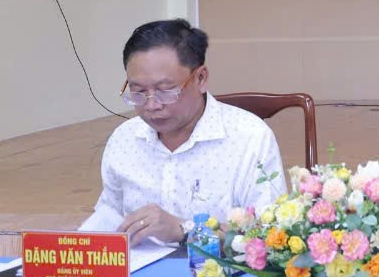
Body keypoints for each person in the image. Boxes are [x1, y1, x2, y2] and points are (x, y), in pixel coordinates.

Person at [80, 19, 286, 245]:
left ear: (201, 78)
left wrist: (185, 230)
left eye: (165, 91)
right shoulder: (124, 139)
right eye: (138, 92)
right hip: (138, 267)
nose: (152, 105)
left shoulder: (249, 138)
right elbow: (109, 217)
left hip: (214, 267)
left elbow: (270, 236)